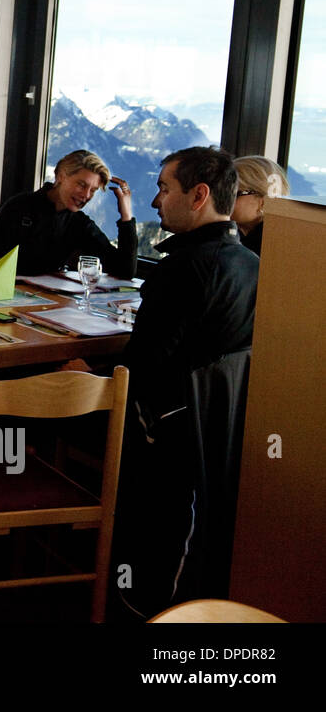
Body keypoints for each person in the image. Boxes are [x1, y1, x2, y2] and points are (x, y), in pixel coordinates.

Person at [115, 146, 260, 619]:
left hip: (163, 444)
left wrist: (83, 374)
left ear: (198, 195)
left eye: (163, 189)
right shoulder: (253, 266)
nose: (155, 203)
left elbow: (139, 369)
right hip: (217, 442)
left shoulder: (181, 270)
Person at [0, 149, 137, 278]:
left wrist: (126, 216)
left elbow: (124, 269)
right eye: (81, 185)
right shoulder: (18, 207)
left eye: (93, 190)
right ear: (61, 176)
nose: (86, 195)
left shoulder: (79, 223)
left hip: (49, 304)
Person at [231, 155, 290, 256]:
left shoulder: (277, 250)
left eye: (234, 193)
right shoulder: (233, 235)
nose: (224, 198)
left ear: (263, 202)